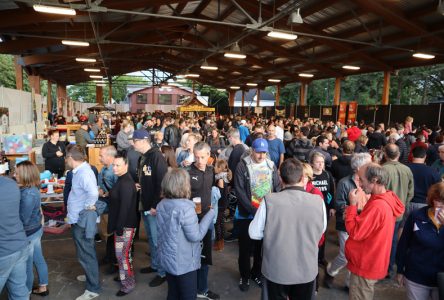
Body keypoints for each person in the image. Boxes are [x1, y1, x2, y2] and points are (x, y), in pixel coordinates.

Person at [249, 158, 326, 300]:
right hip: (306, 269)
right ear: (303, 178)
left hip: (276, 269)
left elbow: (254, 233)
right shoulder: (318, 202)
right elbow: (321, 229)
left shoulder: (269, 201)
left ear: (280, 178)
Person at [345, 163, 404, 300]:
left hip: (365, 261)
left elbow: (355, 232)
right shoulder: (386, 197)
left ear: (375, 180)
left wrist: (352, 207)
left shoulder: (378, 206)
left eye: (361, 179)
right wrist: (358, 214)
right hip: (373, 259)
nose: (359, 184)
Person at [157, 169, 215, 300]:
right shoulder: (186, 208)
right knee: (188, 296)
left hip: (168, 259)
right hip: (184, 263)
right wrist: (211, 213)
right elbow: (196, 236)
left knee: (173, 293)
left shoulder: (161, 204)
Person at [234, 138, 281, 292]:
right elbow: (240, 191)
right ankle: (245, 276)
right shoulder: (242, 166)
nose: (261, 156)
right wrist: (254, 211)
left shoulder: (271, 165)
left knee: (261, 249)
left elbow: (277, 187)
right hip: (246, 215)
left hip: (266, 214)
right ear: (252, 150)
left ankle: (256, 273)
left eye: (263, 153)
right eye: (258, 152)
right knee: (245, 249)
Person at [324, 153, 372, 291]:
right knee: (345, 255)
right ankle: (330, 272)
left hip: (363, 224)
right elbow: (338, 203)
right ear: (358, 168)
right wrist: (352, 206)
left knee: (356, 255)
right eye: (368, 164)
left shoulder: (370, 182)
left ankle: (348, 283)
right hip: (346, 224)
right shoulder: (345, 183)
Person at [132, 129, 168, 287]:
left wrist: (155, 205)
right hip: (145, 204)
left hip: (154, 207)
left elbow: (162, 183)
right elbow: (146, 177)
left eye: (134, 141)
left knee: (157, 240)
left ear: (142, 141)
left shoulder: (156, 157)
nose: (133, 144)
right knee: (152, 239)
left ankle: (162, 272)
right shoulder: (144, 157)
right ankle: (155, 265)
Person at [396, 182, 444, 300]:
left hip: (441, 278)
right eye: (439, 201)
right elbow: (403, 243)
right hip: (416, 275)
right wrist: (400, 270)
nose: (442, 206)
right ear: (432, 199)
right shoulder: (417, 215)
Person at [65, 145, 101, 300]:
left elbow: (93, 193)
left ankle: (93, 288)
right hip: (79, 218)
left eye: (66, 158)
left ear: (71, 158)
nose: (66, 161)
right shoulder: (81, 171)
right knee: (84, 252)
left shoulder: (84, 173)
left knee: (86, 253)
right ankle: (90, 276)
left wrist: (86, 209)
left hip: (82, 220)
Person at [188, 142, 220, 299]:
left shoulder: (210, 170)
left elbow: (210, 191)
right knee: (190, 256)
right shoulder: (187, 172)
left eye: (203, 157)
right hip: (191, 221)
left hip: (206, 219)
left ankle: (202, 289)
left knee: (205, 257)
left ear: (209, 156)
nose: (199, 160)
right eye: (196, 156)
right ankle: (189, 289)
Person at [16, 161, 50, 296]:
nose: (14, 175)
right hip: (35, 229)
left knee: (27, 265)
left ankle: (26, 292)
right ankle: (43, 287)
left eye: (17, 173)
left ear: (25, 175)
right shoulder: (32, 189)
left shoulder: (27, 194)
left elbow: (23, 219)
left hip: (29, 233)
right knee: (38, 258)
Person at [108, 154, 138, 296]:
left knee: (122, 256)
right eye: (113, 165)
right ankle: (125, 276)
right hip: (123, 224)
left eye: (117, 165)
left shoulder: (126, 183)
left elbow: (125, 208)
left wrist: (119, 227)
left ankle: (128, 284)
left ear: (126, 166)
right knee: (123, 255)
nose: (114, 167)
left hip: (125, 225)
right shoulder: (122, 179)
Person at [382, 143, 414, 277]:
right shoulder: (407, 170)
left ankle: (383, 268)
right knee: (394, 240)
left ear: (385, 154)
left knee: (383, 241)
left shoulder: (382, 169)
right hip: (400, 212)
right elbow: (410, 193)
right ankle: (389, 268)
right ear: (399, 155)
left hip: (385, 212)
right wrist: (403, 206)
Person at [310, 151, 335, 267]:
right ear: (312, 163)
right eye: (318, 162)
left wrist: (332, 207)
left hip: (324, 209)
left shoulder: (327, 175)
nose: (321, 165)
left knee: (322, 234)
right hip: (311, 210)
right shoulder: (309, 176)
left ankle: (321, 257)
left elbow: (331, 192)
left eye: (322, 162)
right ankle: (312, 256)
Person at [97, 146, 118, 271]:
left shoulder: (114, 170)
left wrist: (106, 194)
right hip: (106, 205)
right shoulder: (104, 169)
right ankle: (109, 257)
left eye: (101, 155)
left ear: (110, 156)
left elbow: (119, 189)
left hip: (112, 206)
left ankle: (114, 261)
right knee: (108, 233)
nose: (99, 158)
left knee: (113, 233)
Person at [406, 146, 441, 217]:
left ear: (412, 155)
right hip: (424, 204)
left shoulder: (404, 169)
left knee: (403, 227)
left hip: (406, 203)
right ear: (425, 156)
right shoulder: (432, 171)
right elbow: (438, 189)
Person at [213, 159, 232, 251]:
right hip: (223, 204)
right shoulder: (224, 177)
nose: (214, 167)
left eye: (216, 166)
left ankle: (219, 244)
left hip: (220, 204)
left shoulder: (220, 179)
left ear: (220, 168)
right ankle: (221, 242)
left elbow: (219, 194)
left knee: (218, 224)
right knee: (221, 223)